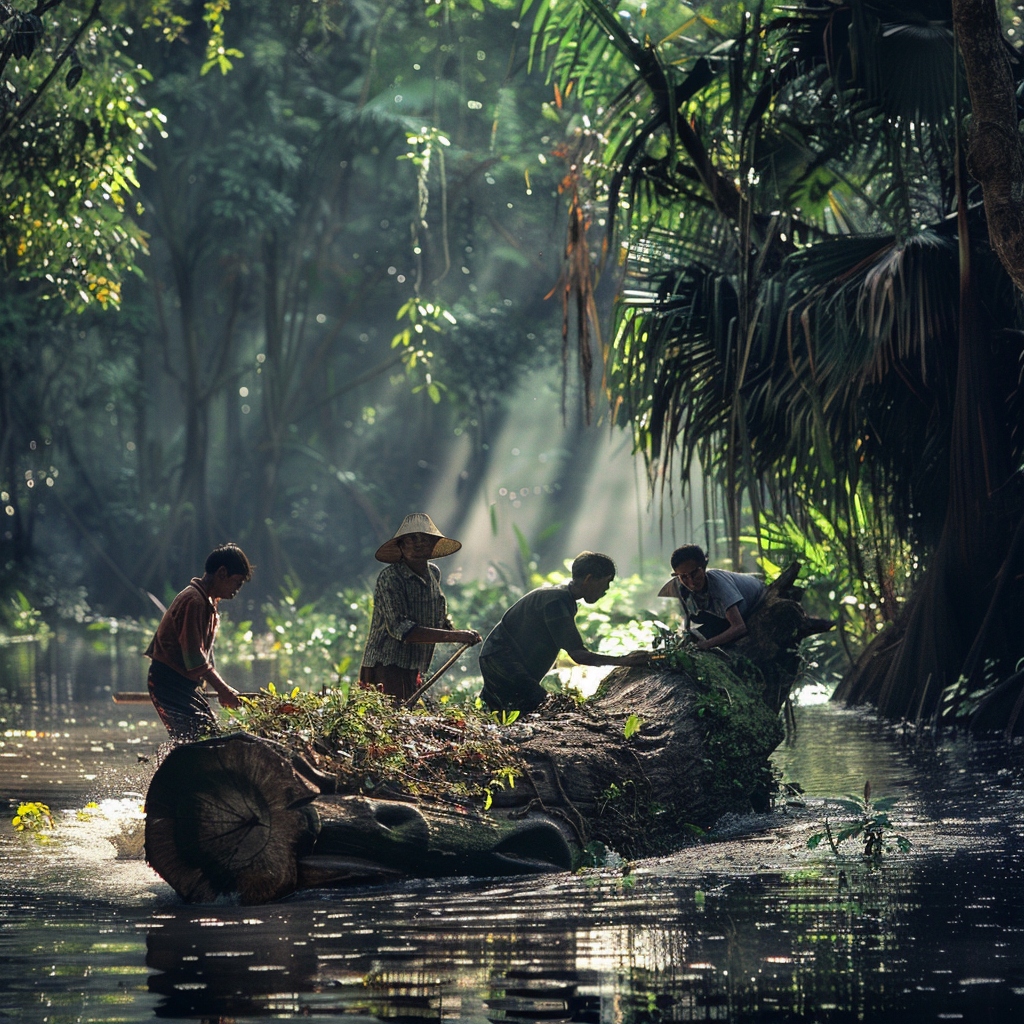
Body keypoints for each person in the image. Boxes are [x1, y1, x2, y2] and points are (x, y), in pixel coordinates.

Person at [479, 551, 650, 714]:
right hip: (502, 660)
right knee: (541, 708)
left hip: (497, 658)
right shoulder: (556, 600)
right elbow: (579, 655)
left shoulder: (561, 598)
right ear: (589, 579)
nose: (606, 589)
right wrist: (626, 661)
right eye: (607, 582)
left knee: (501, 713)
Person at [359, 513, 482, 702]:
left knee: (407, 716)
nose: (418, 544)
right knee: (393, 718)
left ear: (433, 545)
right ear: (401, 545)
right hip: (387, 664)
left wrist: (459, 633)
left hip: (416, 662)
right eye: (411, 539)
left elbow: (438, 616)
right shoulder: (390, 578)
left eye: (424, 539)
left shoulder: (433, 573)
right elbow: (401, 629)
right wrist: (456, 636)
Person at [144, 543, 252, 741]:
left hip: (185, 683)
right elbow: (194, 657)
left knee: (206, 735)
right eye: (237, 582)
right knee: (198, 739)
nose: (237, 590)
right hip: (168, 681)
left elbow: (205, 657)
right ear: (222, 573)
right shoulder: (194, 601)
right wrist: (224, 690)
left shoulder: (209, 602)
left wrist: (216, 689)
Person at [658, 544, 765, 650]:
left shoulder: (718, 584)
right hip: (721, 616)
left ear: (703, 567)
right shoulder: (680, 588)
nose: (691, 581)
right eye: (684, 577)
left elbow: (739, 627)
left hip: (756, 602)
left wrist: (707, 644)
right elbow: (688, 625)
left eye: (694, 573)